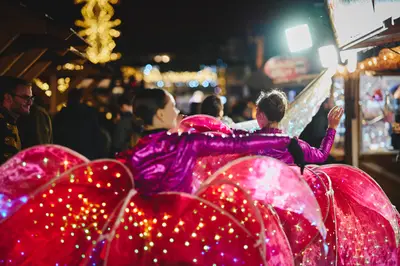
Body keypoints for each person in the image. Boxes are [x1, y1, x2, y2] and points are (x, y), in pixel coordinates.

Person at [254, 90, 343, 164]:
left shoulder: (248, 142)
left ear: (261, 114)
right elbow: (321, 155)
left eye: (257, 112)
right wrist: (332, 127)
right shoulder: (294, 145)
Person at [53, 88, 104, 159]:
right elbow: (96, 134)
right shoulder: (89, 113)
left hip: (67, 153)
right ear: (81, 98)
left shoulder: (62, 114)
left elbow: (56, 135)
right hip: (86, 153)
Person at [0, 76, 33, 164]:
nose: (30, 103)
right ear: (8, 97)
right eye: (25, 98)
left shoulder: (13, 120)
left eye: (31, 98)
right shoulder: (3, 123)